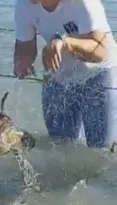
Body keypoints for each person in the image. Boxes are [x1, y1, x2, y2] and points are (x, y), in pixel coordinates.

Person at [13, 0, 117, 150]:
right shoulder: (24, 4)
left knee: (102, 150)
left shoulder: (84, 3)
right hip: (58, 77)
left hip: (100, 74)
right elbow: (24, 47)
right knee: (59, 147)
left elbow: (101, 52)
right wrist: (21, 64)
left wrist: (67, 42)